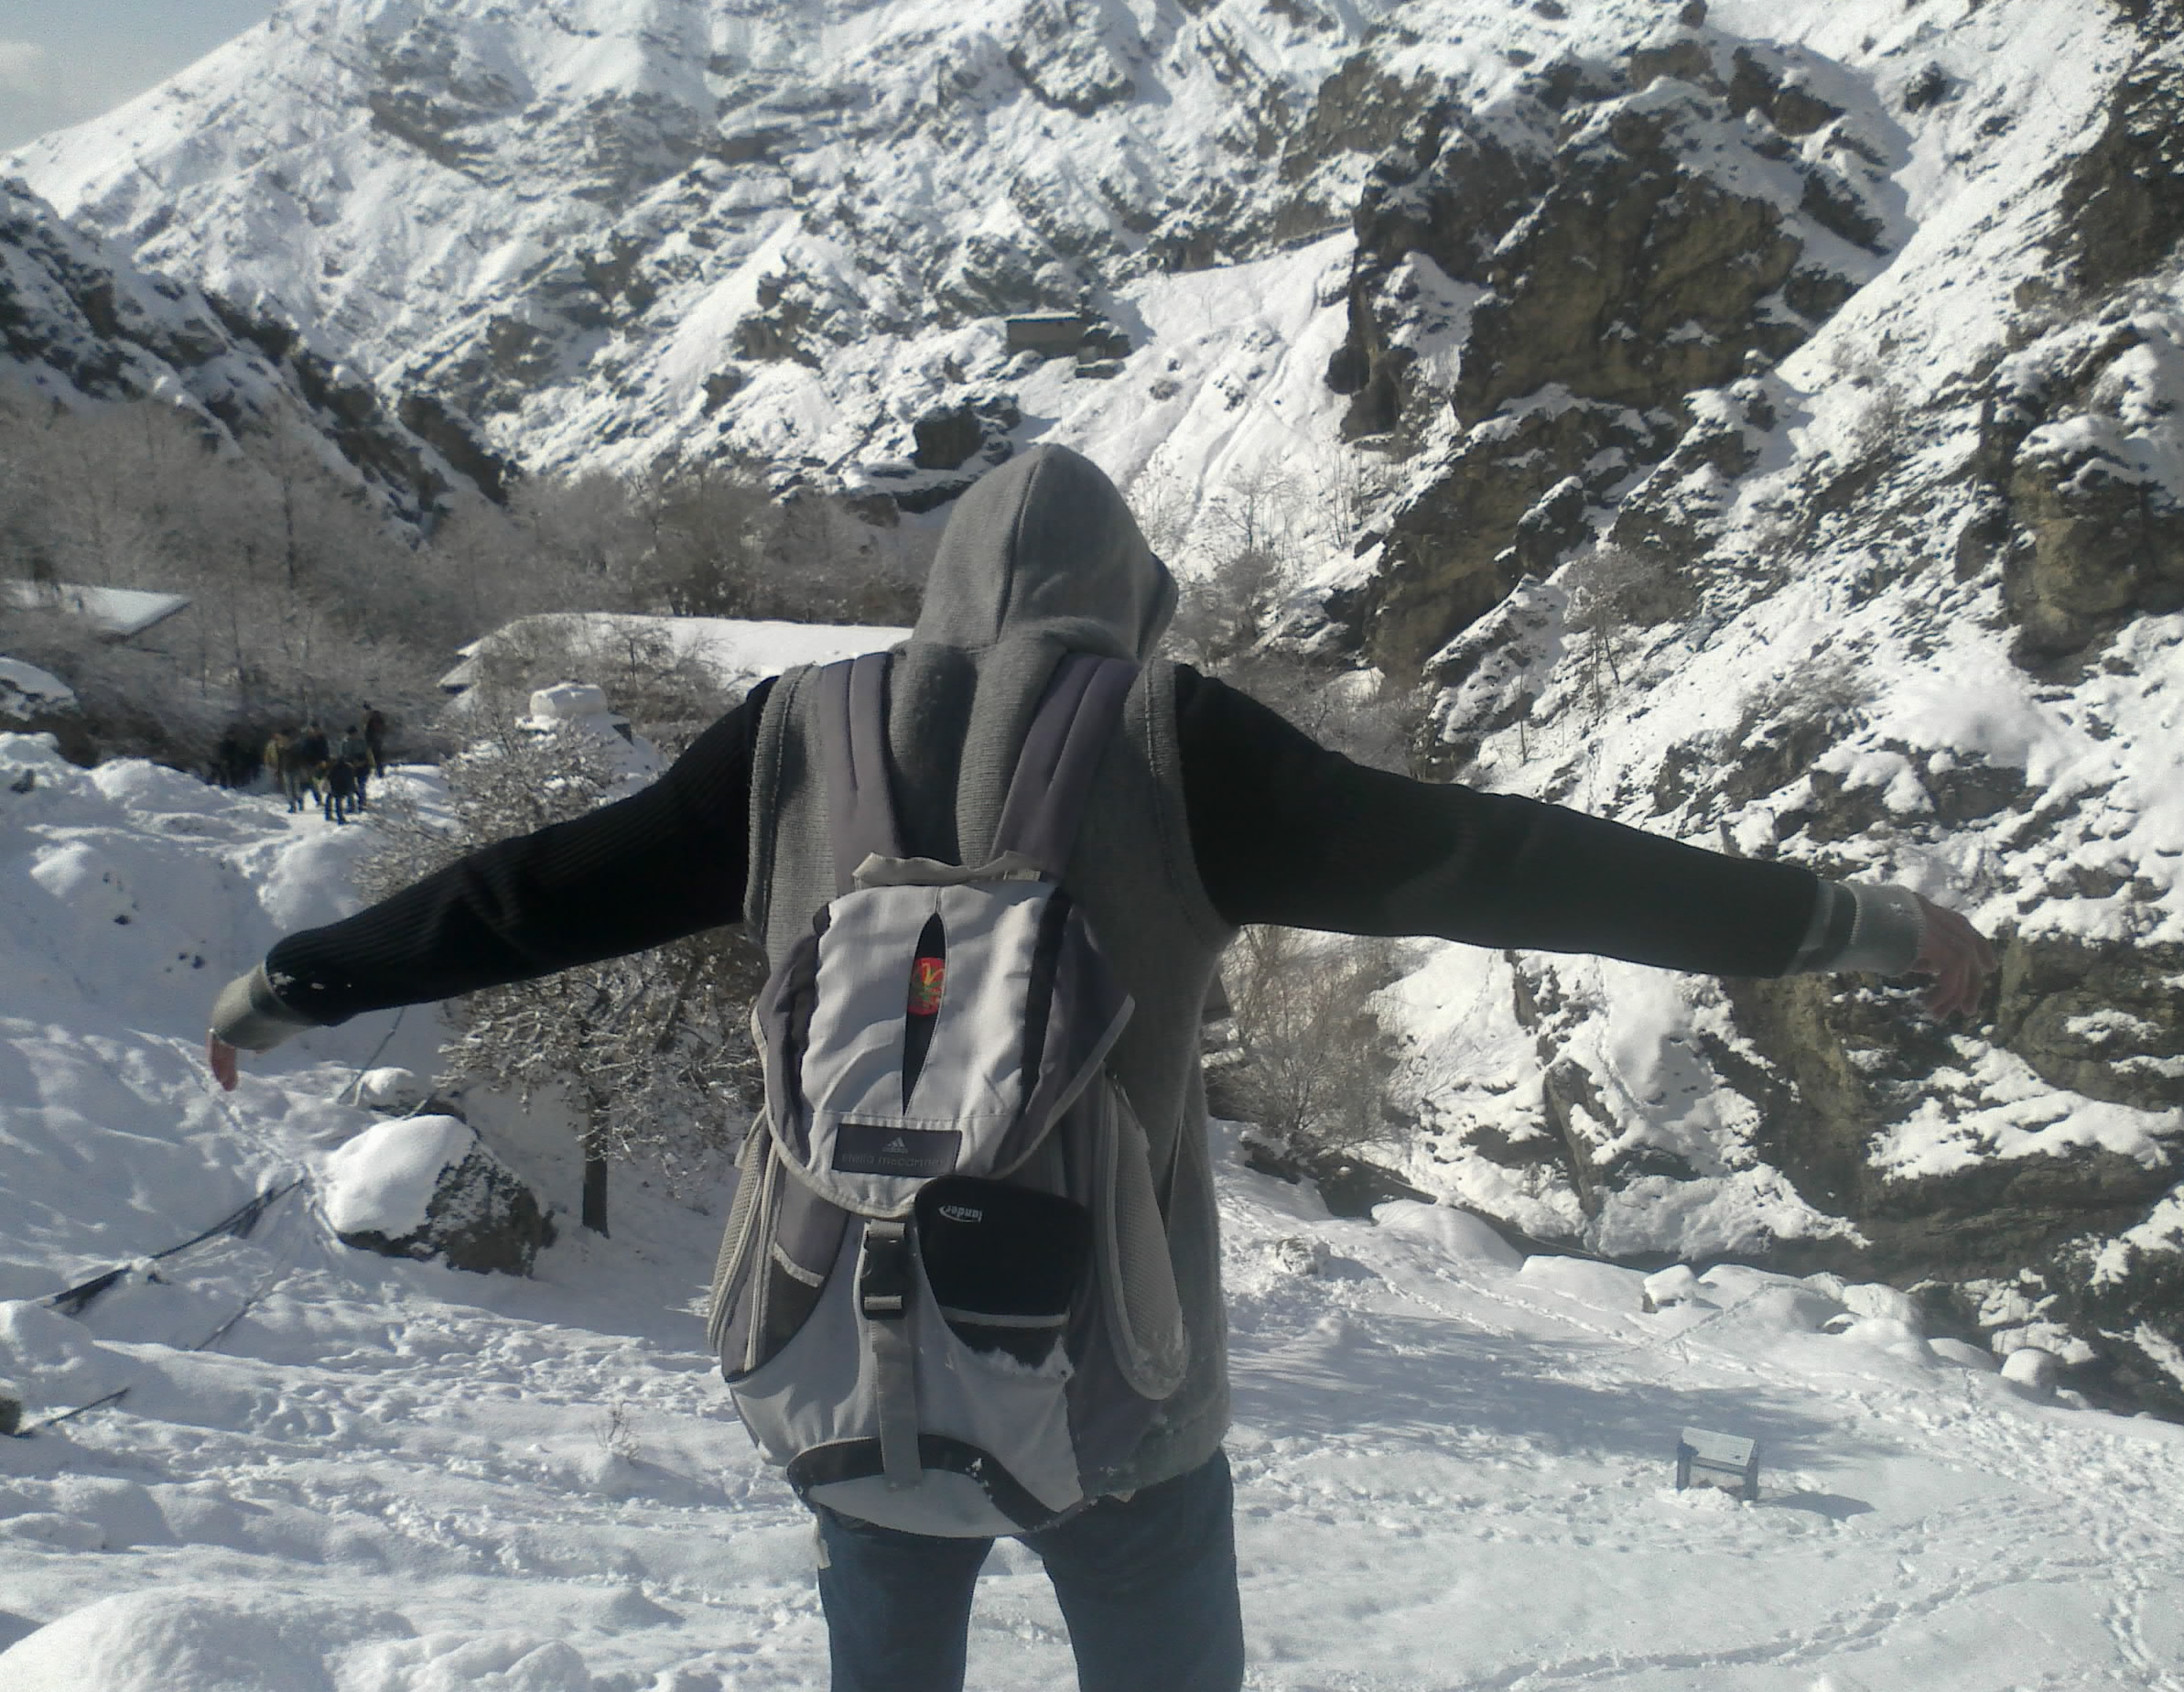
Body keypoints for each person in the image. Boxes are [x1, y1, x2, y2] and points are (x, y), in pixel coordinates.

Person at [206, 446, 1995, 1692]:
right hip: (1116, 1381)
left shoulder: (788, 740)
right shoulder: (1170, 741)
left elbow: (539, 893)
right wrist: (1839, 922)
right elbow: (1500, 864)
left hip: (840, 1343)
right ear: (1128, 607)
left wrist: (309, 976)